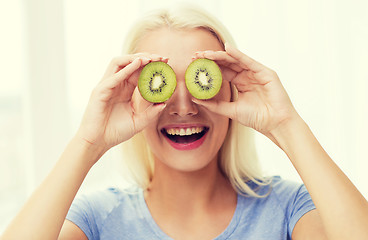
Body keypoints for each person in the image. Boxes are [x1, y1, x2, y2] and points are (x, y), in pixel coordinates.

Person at [2, 5, 368, 240]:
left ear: (231, 90)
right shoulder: (97, 219)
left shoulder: (288, 209)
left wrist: (286, 124)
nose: (183, 106)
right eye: (161, 83)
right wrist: (86, 143)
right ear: (130, 94)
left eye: (199, 79)